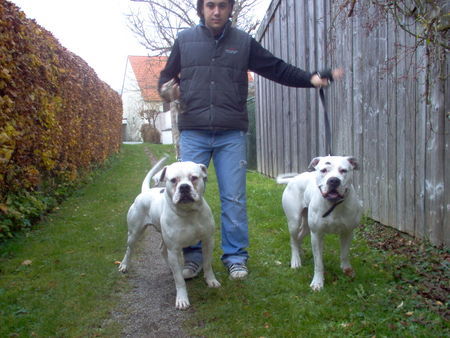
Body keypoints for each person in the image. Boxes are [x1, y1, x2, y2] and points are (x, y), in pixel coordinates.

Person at [158, 0, 343, 280]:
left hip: (231, 132)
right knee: (185, 197)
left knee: (234, 197)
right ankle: (193, 257)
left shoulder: (243, 42)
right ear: (201, 8)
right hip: (194, 129)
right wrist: (167, 90)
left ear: (230, 8)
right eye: (210, 5)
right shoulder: (184, 40)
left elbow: (276, 68)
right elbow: (165, 78)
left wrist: (310, 79)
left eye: (222, 5)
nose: (216, 11)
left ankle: (235, 257)